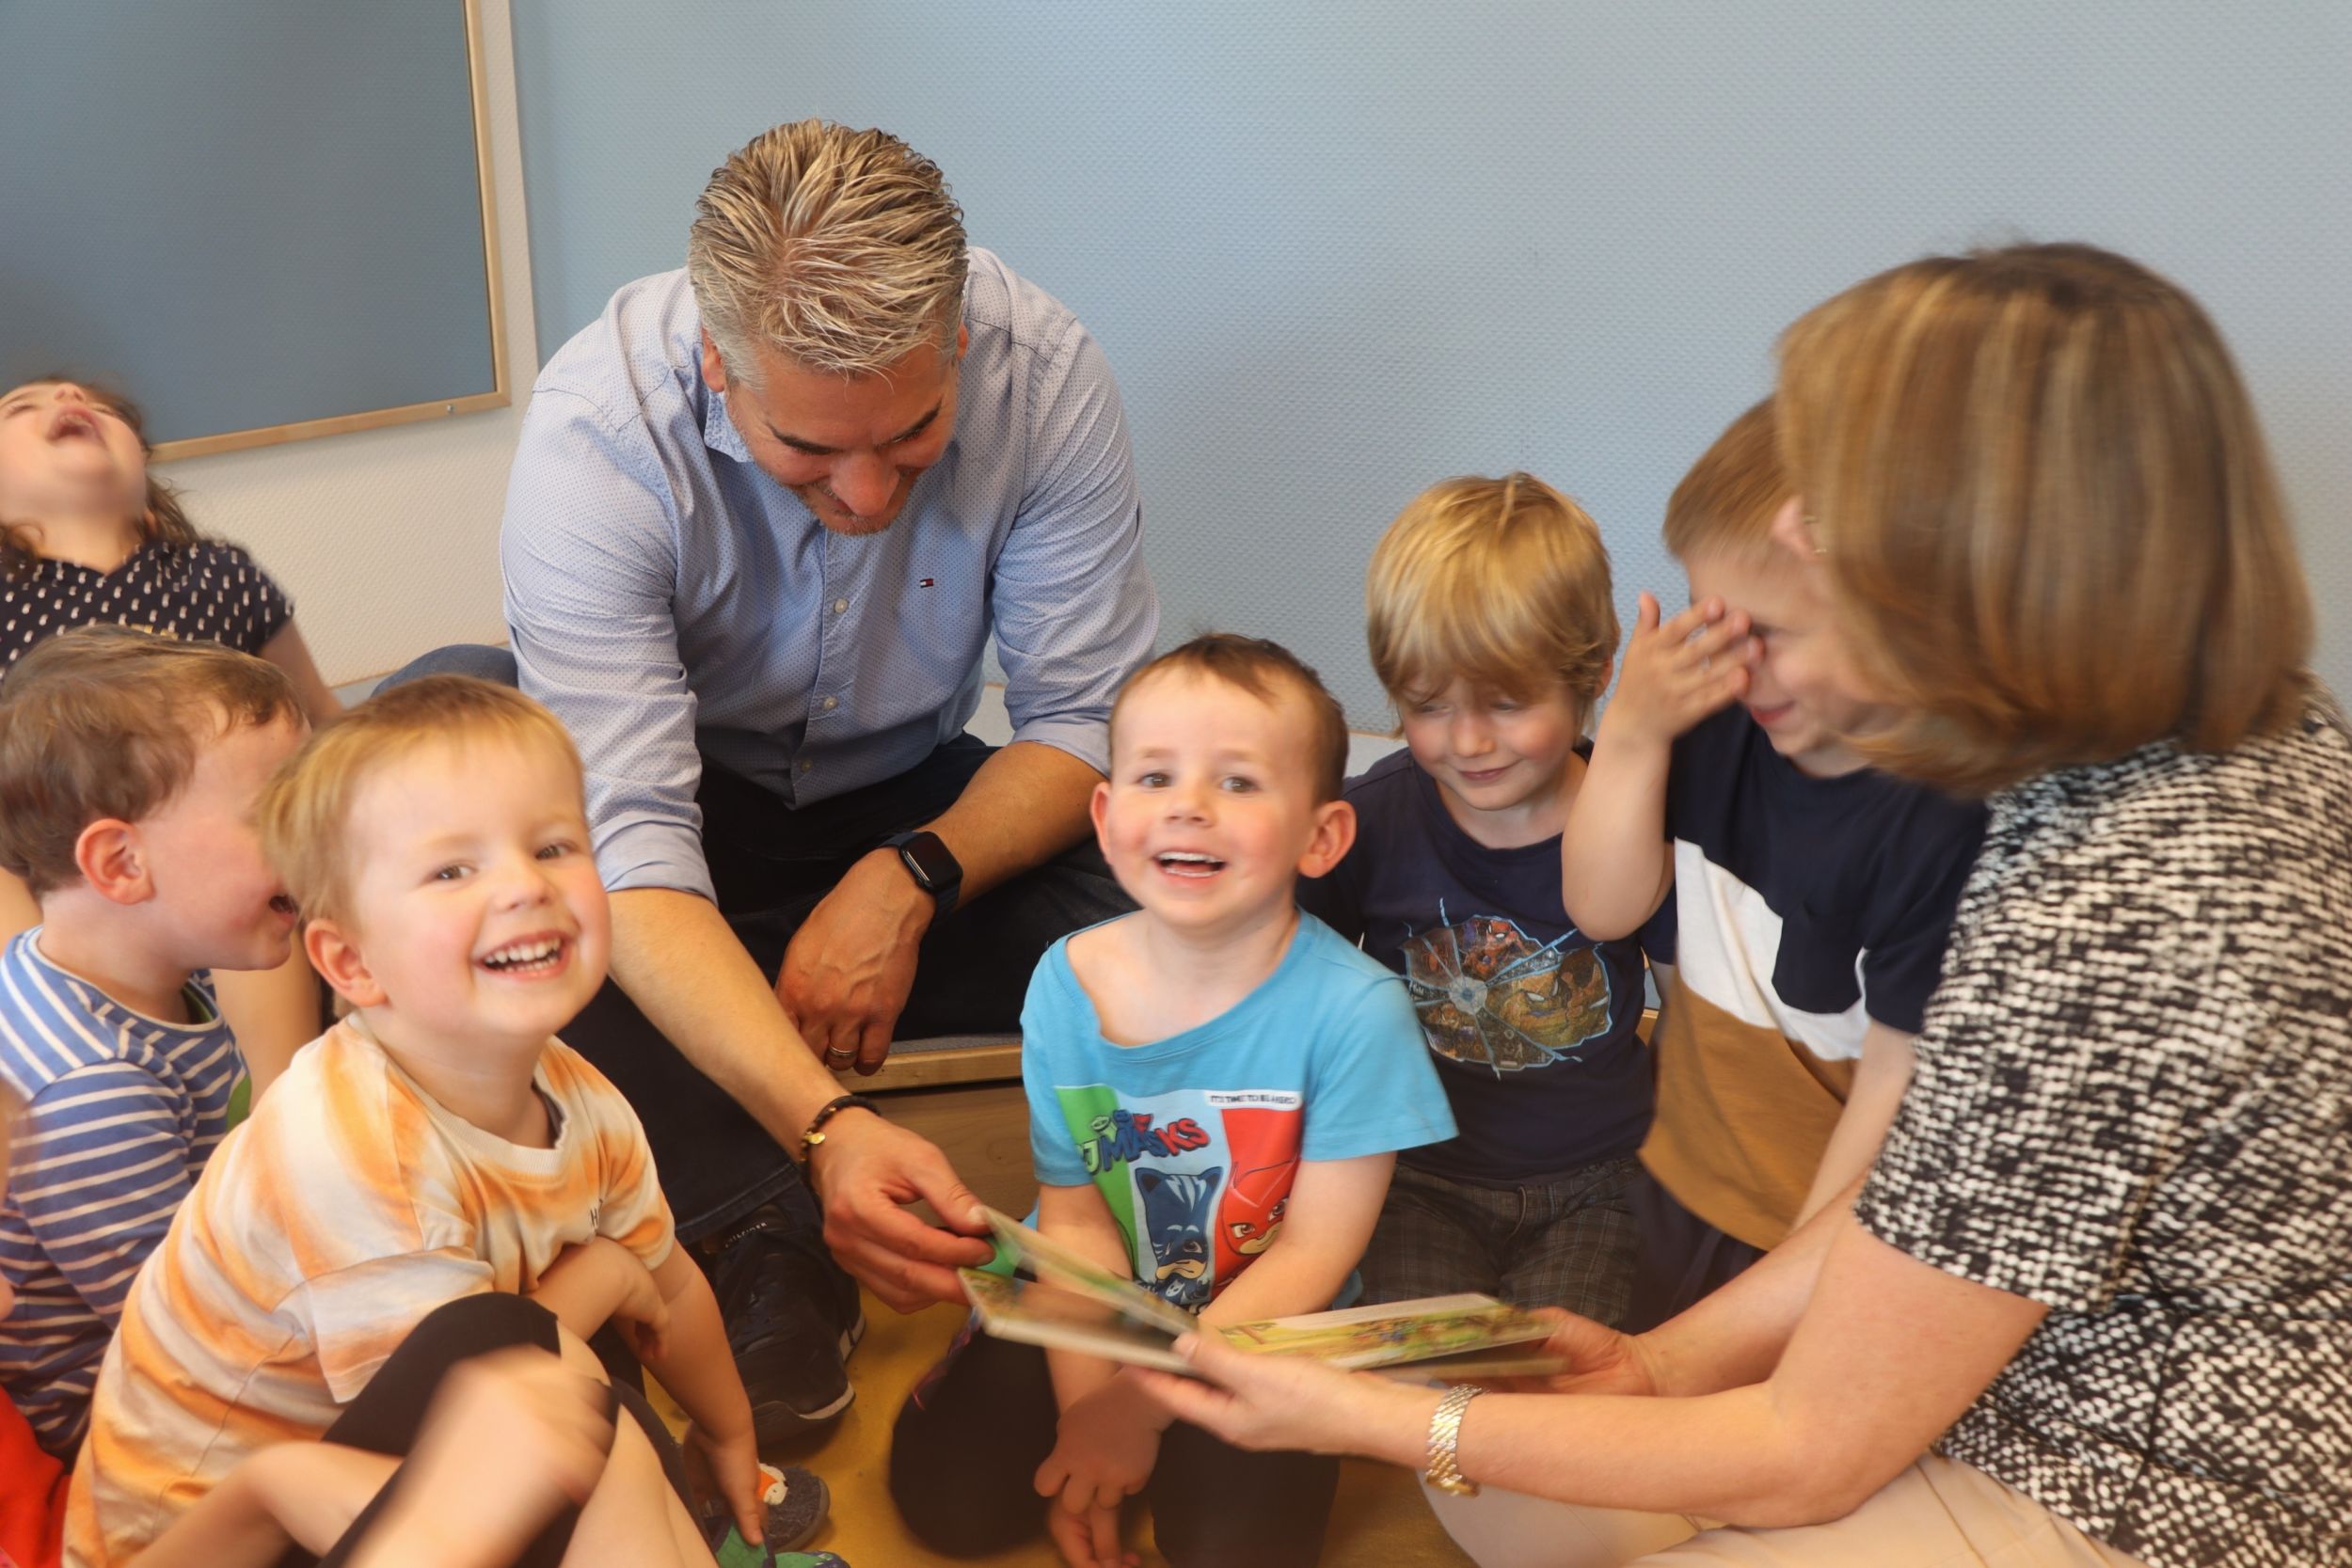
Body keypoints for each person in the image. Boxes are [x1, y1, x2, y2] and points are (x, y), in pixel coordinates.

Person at [1137, 243, 2350, 1568]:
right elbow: (1901, 1219)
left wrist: (1393, 1415)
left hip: (2123, 1482)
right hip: (1970, 1353)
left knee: (1495, 1472)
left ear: (1992, 562)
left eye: (1827, 532)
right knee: (1518, 1488)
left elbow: (1811, 1438)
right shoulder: (2198, 734)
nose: (1786, 546)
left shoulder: (2116, 909)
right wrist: (1654, 1365)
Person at [492, 118, 1157, 1438]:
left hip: (920, 800)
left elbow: (1082, 719)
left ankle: (759, 1147)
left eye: (911, 435)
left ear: (958, 344)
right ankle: (766, 1221)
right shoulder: (595, 436)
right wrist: (829, 1127)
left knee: (1196, 904)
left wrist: (911, 879)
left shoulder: (1051, 372)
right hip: (682, 822)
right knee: (471, 882)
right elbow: (627, 838)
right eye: (808, 450)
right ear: (714, 367)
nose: (864, 491)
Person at [64, 677, 798, 1568]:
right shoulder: (347, 1138)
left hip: (389, 1482)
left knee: (577, 1351)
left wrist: (729, 1436)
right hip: (217, 1537)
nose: (525, 884)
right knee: (530, 1346)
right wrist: (606, 1272)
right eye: (453, 869)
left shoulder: (586, 1102)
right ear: (351, 961)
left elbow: (670, 1287)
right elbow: (475, 1437)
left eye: (555, 845)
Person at [889, 635, 1454, 1568]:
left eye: (1237, 782)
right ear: (1106, 820)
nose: (1188, 805)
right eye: (1155, 776)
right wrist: (1089, 1419)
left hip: (1265, 1330)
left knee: (1238, 1552)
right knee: (944, 1503)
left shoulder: (1359, 1011)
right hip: (1094, 1299)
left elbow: (1315, 1251)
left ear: (1322, 835)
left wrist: (1139, 1406)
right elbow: (1074, 1220)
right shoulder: (1066, 981)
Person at [1, 1078, 832, 1568]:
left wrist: (270, 1486)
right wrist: (431, 1530)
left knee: (507, 1348)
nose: (9, 1299)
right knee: (544, 1398)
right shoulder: (351, 1143)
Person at [1560, 402, 1984, 1328]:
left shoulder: (1948, 818)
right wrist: (1629, 734)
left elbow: (1892, 1094)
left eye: (1774, 632)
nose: (1736, 663)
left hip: (1825, 1227)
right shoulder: (1709, 718)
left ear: (1896, 613)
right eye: (1715, 619)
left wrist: (1803, 1280)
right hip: (1678, 1175)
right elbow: (1600, 908)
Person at [1297, 474, 1662, 1323]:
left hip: (1601, 1185)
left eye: (1506, 703)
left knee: (1564, 1390)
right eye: (1429, 706)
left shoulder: (1635, 818)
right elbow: (1289, 973)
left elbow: (1700, 1018)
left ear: (1595, 674)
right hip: (1414, 1177)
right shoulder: (1377, 815)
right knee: (1426, 1382)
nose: (1467, 740)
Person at [0, 628, 309, 1454]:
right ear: (121, 862)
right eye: (277, 811)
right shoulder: (91, 1081)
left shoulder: (151, 965)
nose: (315, 833)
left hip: (223, 1325)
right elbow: (191, 1335)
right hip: (144, 1426)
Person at [0, 376, 338, 1092]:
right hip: (63, 879)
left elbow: (319, 724)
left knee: (251, 867)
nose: (66, 395)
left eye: (100, 406)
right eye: (18, 411)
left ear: (151, 500)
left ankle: (278, 1109)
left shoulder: (220, 578)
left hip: (226, 851)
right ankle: (40, 1037)